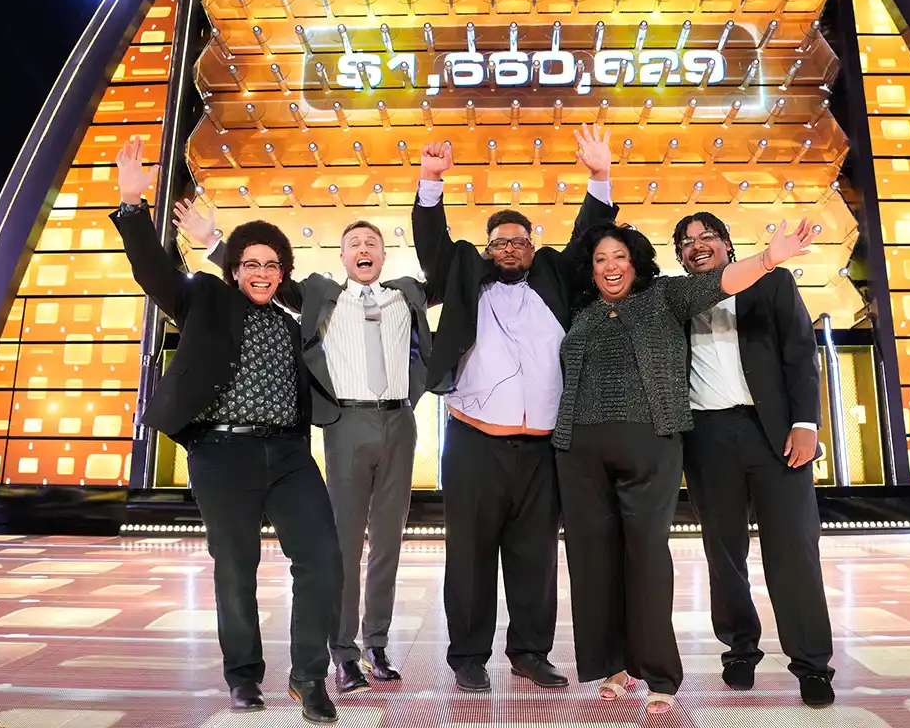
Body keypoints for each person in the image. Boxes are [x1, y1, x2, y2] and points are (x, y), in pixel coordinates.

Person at [110, 139, 341, 724]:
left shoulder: (297, 317)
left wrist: (219, 240)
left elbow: (309, 296)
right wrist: (133, 204)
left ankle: (309, 677)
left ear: (281, 272)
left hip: (290, 455)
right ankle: (243, 676)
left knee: (322, 558)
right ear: (233, 271)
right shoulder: (205, 299)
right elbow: (155, 274)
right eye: (250, 264)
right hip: (221, 451)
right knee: (235, 566)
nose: (260, 273)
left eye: (270, 265)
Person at [554, 218, 814, 715]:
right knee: (593, 562)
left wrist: (769, 258)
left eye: (620, 257)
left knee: (651, 558)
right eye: (600, 259)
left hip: (657, 443)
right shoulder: (580, 308)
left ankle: (662, 673)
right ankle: (612, 665)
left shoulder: (666, 297)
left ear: (637, 263)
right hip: (580, 449)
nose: (610, 267)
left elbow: (723, 284)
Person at [177, 204, 432, 696]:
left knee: (389, 541)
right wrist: (214, 245)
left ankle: (377, 642)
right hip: (346, 424)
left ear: (384, 254)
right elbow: (263, 275)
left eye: (372, 244)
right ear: (342, 255)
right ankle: (344, 653)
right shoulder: (319, 295)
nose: (363, 249)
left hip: (400, 421)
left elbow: (448, 278)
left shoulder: (407, 295)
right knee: (342, 544)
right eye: (354, 243)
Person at [412, 125, 617, 693]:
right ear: (486, 250)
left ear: (531, 246)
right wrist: (431, 179)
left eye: (518, 242)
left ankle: (530, 652)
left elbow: (586, 240)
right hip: (475, 441)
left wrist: (599, 176)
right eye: (499, 242)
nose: (509, 249)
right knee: (470, 555)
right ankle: (468, 656)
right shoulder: (461, 273)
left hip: (544, 447)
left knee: (534, 557)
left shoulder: (552, 274)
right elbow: (433, 240)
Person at [674, 212, 835, 708]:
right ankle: (740, 651)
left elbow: (800, 353)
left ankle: (811, 665)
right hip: (707, 437)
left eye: (706, 237)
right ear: (679, 256)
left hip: (775, 435)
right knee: (724, 555)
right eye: (686, 242)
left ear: (726, 243)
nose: (697, 246)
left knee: (794, 552)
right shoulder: (676, 301)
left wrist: (807, 423)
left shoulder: (773, 281)